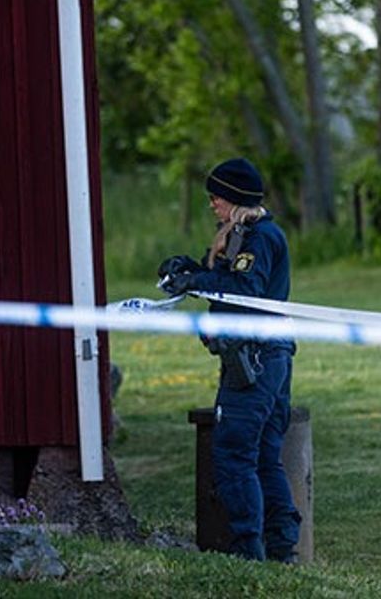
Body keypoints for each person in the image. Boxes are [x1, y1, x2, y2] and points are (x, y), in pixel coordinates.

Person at [158, 157, 301, 563]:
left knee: (234, 454)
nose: (212, 205)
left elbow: (245, 289)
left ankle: (248, 551)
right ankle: (282, 550)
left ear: (235, 198)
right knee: (264, 456)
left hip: (255, 358)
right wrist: (188, 270)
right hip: (268, 354)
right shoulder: (242, 234)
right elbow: (227, 280)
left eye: (216, 197)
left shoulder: (259, 238)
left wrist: (197, 280)